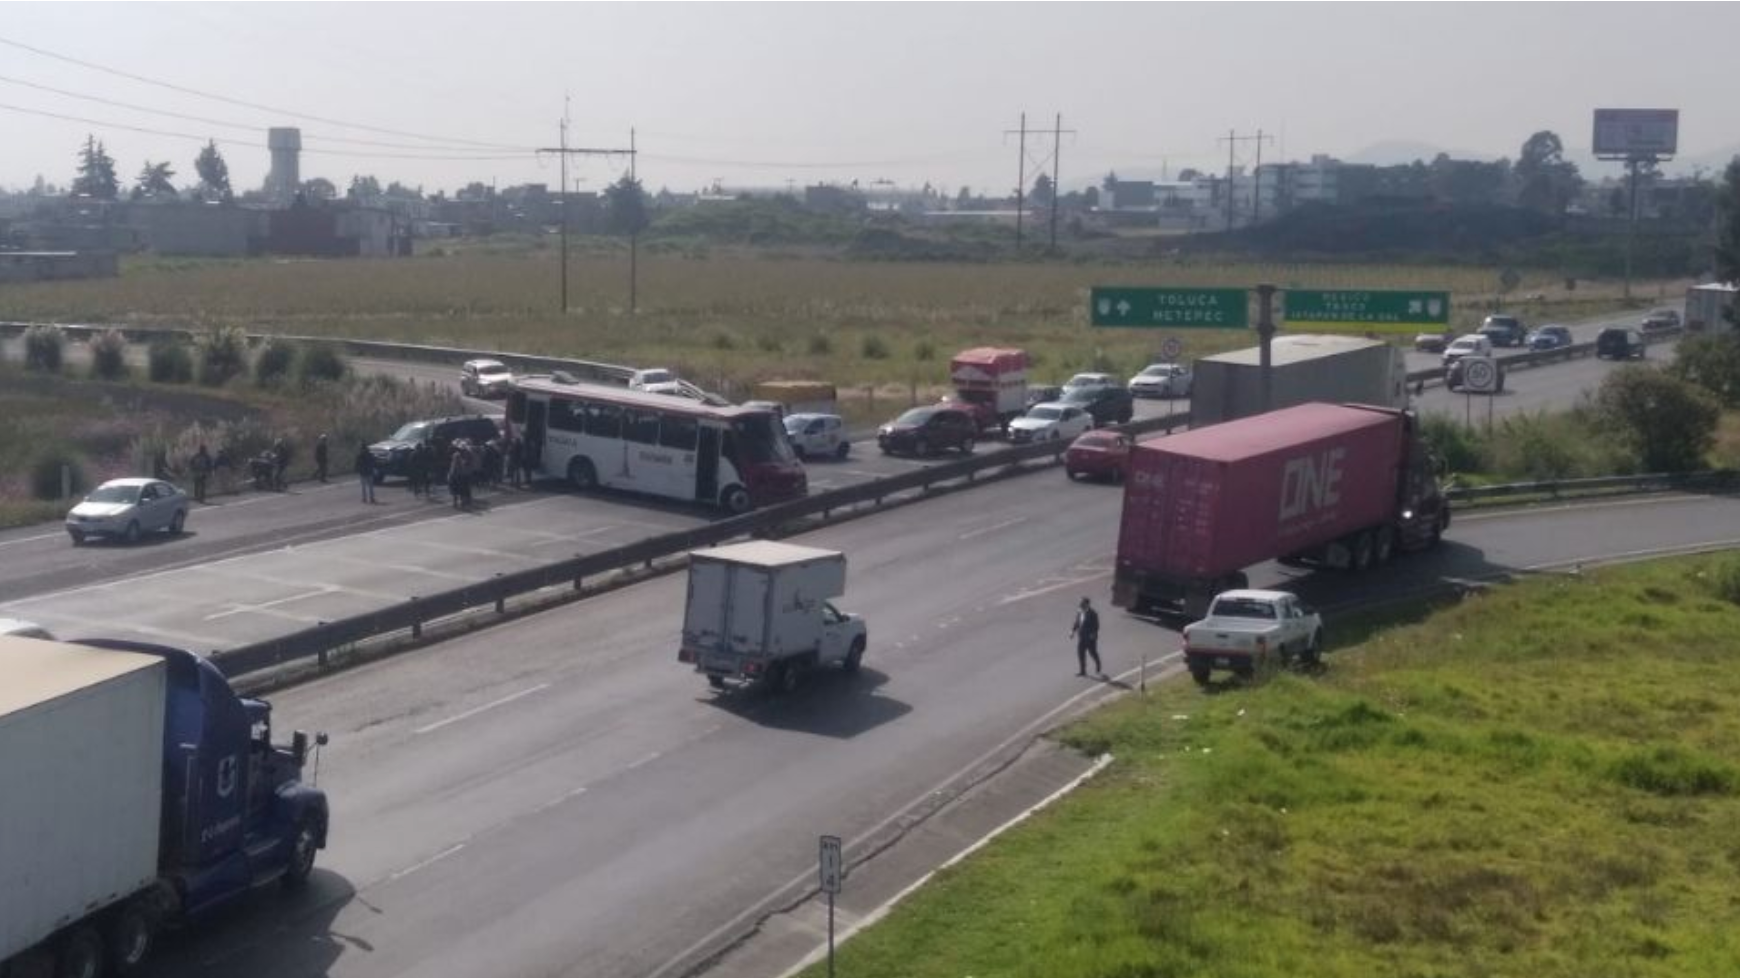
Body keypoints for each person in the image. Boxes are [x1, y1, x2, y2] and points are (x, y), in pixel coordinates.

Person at [1069, 597, 1102, 677]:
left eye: (1083, 604)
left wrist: (1093, 634)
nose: (1081, 605)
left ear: (1087, 604)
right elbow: (1077, 623)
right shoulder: (1080, 612)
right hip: (1081, 637)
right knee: (1080, 654)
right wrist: (1072, 631)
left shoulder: (1093, 614)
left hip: (1090, 639)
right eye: (1081, 603)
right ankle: (1082, 671)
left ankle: (1098, 663)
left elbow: (1096, 626)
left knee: (1092, 653)